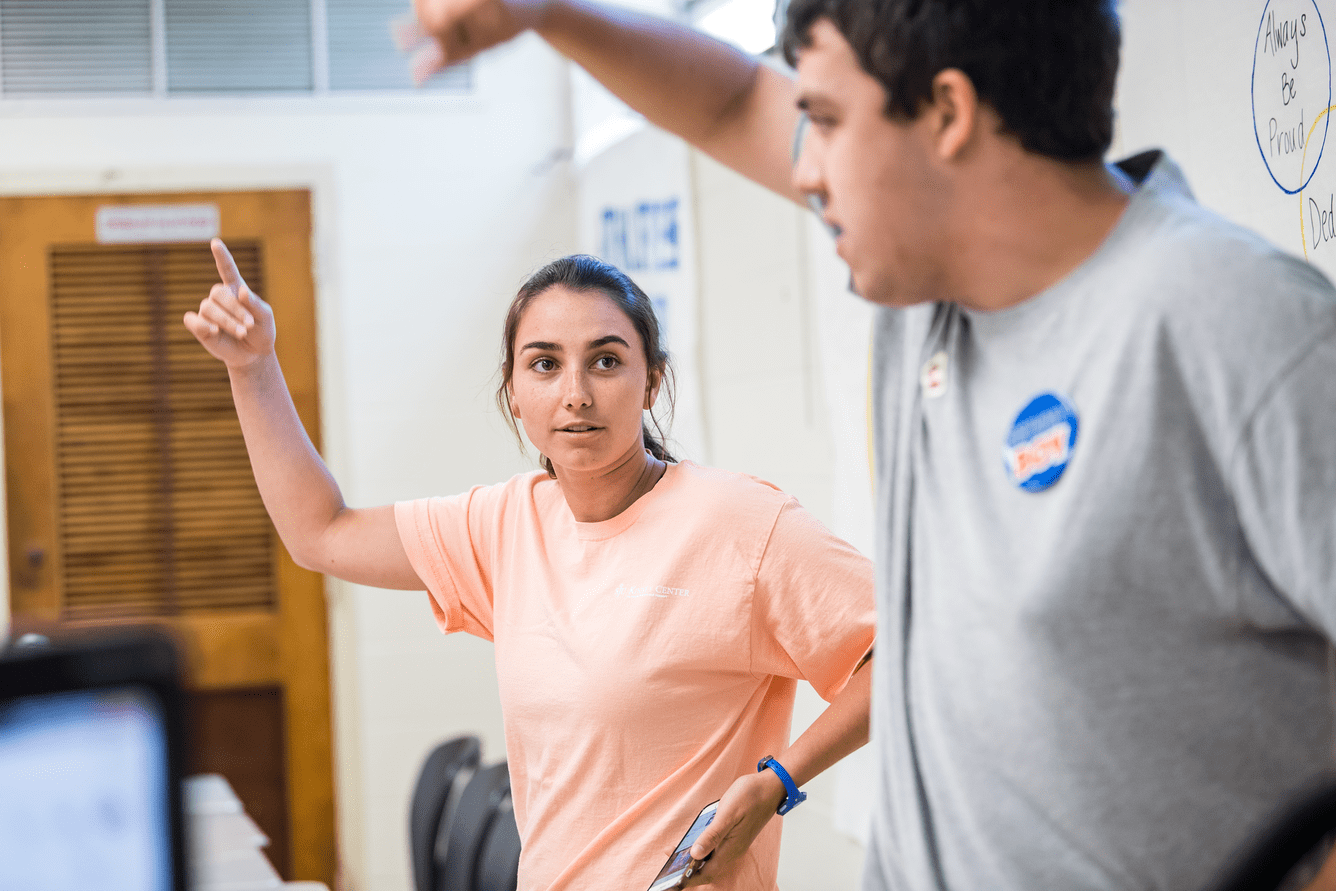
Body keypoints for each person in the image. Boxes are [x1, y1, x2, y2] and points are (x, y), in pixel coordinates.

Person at [399, 1, 1336, 890]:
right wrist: (550, 15)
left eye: (827, 121)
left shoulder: (1239, 331)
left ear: (948, 113)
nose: (805, 168)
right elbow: (729, 103)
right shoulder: (935, 300)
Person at [184, 243, 875, 890]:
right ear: (513, 391)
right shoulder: (503, 523)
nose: (575, 392)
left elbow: (906, 653)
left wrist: (780, 780)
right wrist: (252, 367)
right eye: (544, 364)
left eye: (606, 360)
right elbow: (320, 532)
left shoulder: (742, 523)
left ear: (650, 380)